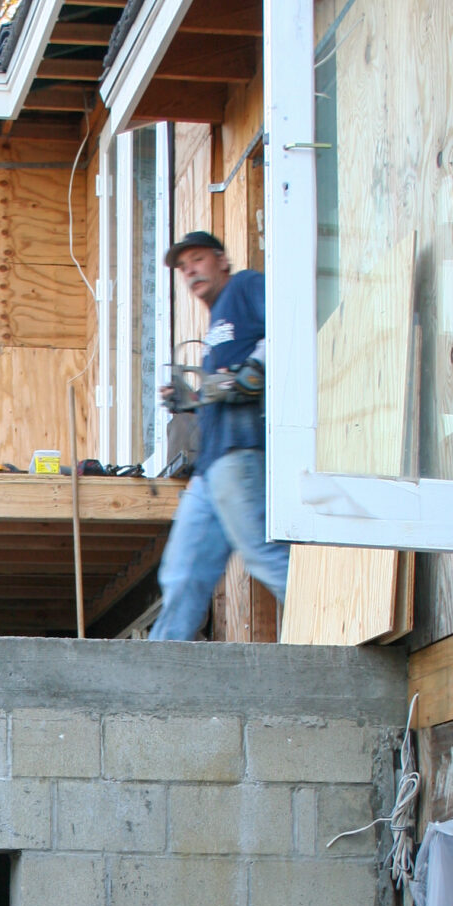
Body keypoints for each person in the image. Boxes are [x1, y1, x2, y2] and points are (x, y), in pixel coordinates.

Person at [148, 232, 286, 641]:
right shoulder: (216, 327)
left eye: (198, 259)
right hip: (210, 468)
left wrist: (255, 370)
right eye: (183, 267)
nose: (190, 270)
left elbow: (287, 318)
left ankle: (333, 629)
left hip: (240, 452)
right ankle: (154, 677)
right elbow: (228, 383)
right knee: (181, 574)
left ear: (222, 261)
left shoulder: (245, 287)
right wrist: (192, 398)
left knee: (264, 557)